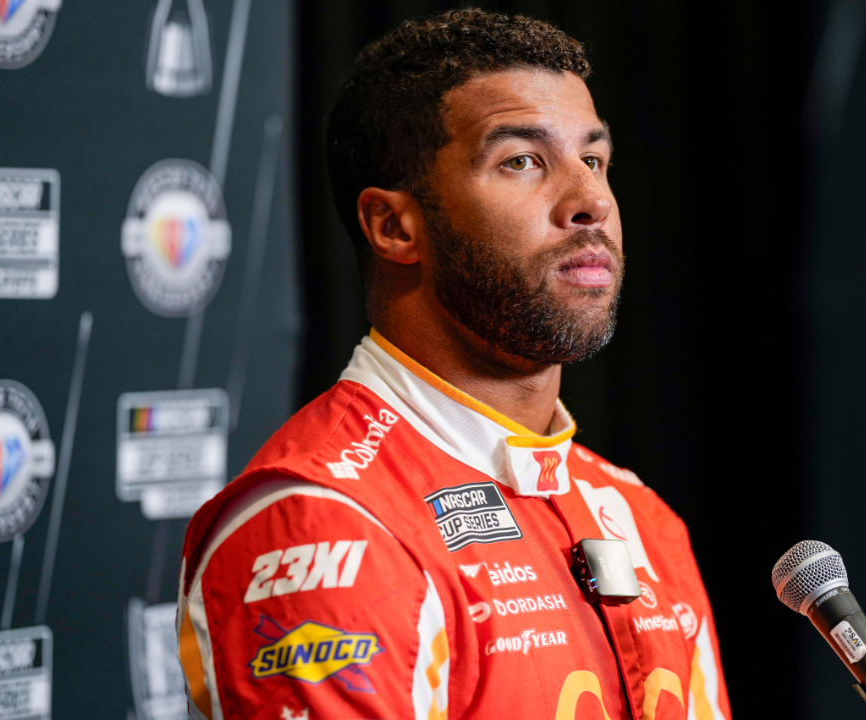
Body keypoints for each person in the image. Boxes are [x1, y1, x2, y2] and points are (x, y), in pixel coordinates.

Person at [176, 9, 731, 719]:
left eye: (593, 160)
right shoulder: (326, 524)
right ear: (393, 226)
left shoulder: (638, 515)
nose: (591, 201)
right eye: (522, 161)